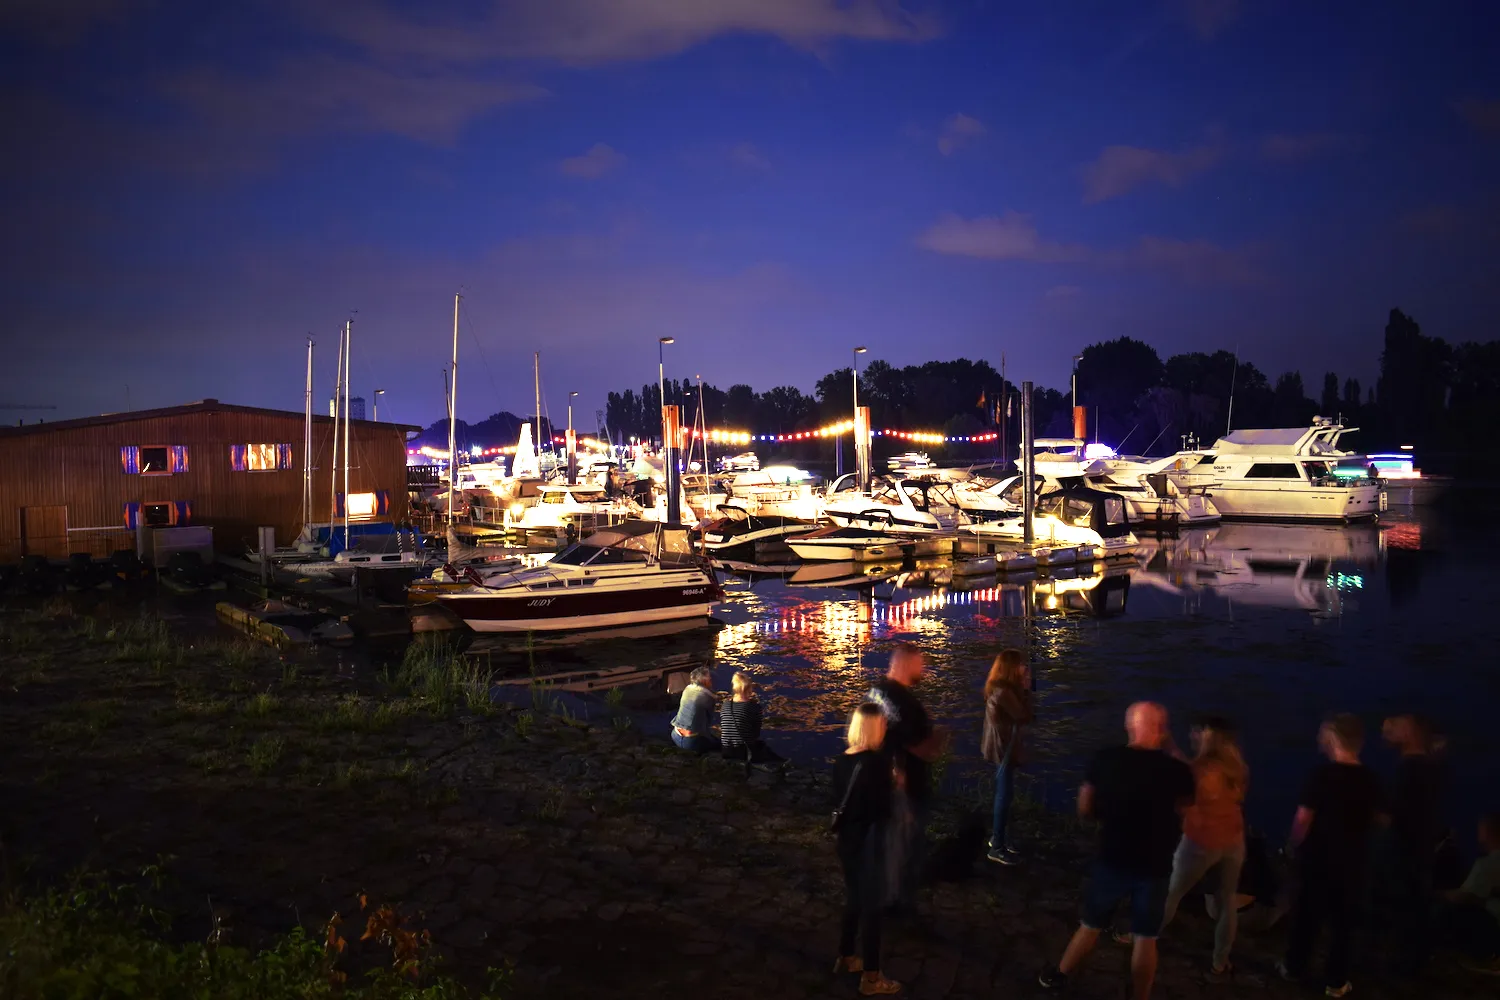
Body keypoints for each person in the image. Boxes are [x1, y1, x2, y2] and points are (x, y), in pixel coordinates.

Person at [1039, 702, 1195, 1000]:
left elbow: (1085, 806)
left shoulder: (1106, 759)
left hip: (1114, 857)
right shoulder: (1177, 771)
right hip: (1156, 863)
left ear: (1129, 726)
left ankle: (1059, 975)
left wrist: (1099, 817)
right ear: (1162, 731)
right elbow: (1185, 809)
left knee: (1091, 924)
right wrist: (1171, 746)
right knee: (1146, 938)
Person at [1279, 713, 1384, 998]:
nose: (1318, 740)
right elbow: (1379, 820)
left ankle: (1294, 966)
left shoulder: (1321, 775)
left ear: (1332, 737)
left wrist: (1292, 845)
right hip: (1354, 862)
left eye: (1322, 735)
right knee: (1344, 926)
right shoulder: (1371, 780)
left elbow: (1303, 819)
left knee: (1307, 916)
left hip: (1318, 859)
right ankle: (1336, 981)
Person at [1158, 716, 1249, 977]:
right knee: (1227, 901)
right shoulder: (1239, 769)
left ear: (1207, 737)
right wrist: (1170, 745)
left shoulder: (1199, 771)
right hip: (1233, 841)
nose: (1192, 735)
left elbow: (1183, 803)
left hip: (1200, 843)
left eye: (1197, 732)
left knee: (1173, 892)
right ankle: (1220, 961)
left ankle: (1143, 935)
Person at [868, 643, 945, 914]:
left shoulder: (876, 692)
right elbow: (922, 749)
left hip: (879, 779)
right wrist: (940, 739)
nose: (923, 669)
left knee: (885, 844)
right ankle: (898, 905)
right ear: (907, 664)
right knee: (905, 848)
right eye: (920, 663)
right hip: (906, 785)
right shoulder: (908, 704)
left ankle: (879, 893)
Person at [831, 703, 902, 996]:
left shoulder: (841, 761)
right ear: (874, 728)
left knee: (854, 899)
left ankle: (846, 956)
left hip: (847, 841)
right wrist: (895, 782)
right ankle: (872, 977)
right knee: (872, 908)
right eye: (883, 724)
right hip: (870, 843)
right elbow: (884, 810)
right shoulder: (877, 765)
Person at [1380, 713, 1446, 974]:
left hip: (1406, 847)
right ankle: (1419, 956)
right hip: (1422, 845)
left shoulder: (1409, 768)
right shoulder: (1431, 768)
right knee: (1418, 900)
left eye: (1393, 730)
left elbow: (1393, 811)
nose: (1386, 736)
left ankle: (1407, 961)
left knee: (1406, 903)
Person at [980, 649, 1034, 864]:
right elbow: (1024, 716)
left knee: (1006, 794)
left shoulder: (1001, 689)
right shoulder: (1003, 692)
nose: (1025, 668)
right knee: (1004, 795)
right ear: (1012, 668)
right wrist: (1027, 690)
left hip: (1002, 746)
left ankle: (999, 838)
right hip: (1003, 748)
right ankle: (997, 846)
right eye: (1021, 664)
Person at [1434, 812, 1500, 975]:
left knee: (1449, 911)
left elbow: (1465, 896)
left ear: (1487, 832)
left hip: (1494, 928)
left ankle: (1481, 957)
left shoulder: (1488, 864)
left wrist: (1437, 894)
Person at [719, 671, 784, 768]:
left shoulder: (725, 705)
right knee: (764, 748)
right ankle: (782, 764)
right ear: (749, 689)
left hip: (726, 749)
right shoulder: (754, 707)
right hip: (743, 751)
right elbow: (755, 733)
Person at [669, 665, 719, 752]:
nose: (712, 682)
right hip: (691, 741)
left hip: (675, 735)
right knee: (718, 744)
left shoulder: (687, 689)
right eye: (710, 680)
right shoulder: (709, 697)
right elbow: (708, 722)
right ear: (705, 682)